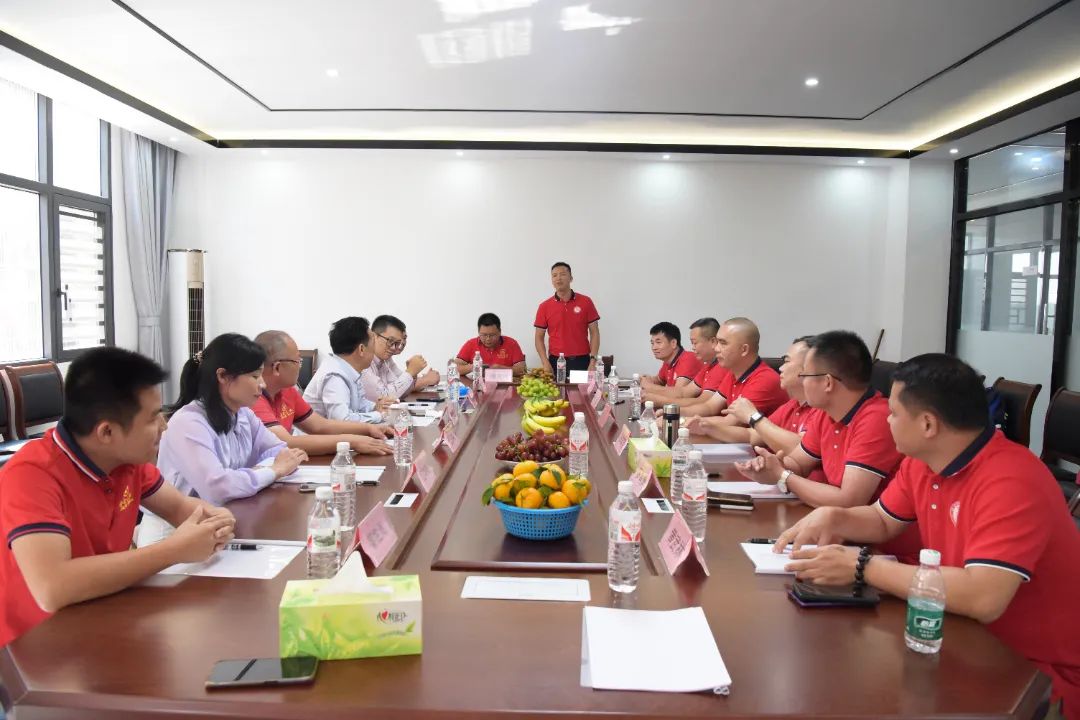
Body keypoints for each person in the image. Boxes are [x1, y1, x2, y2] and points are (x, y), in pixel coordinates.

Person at [774, 354, 1080, 718]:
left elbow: (984, 596)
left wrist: (863, 567)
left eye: (893, 413)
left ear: (928, 424)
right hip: (958, 639)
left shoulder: (1011, 479)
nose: (886, 420)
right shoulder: (923, 461)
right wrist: (834, 516)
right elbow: (883, 520)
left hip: (1031, 678)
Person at [0, 347, 236, 648]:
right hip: (35, 648)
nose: (164, 425)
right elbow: (53, 587)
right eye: (152, 418)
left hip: (103, 618)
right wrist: (174, 550)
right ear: (107, 432)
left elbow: (181, 508)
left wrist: (215, 520)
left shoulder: (127, 461)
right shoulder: (32, 475)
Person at [734, 330, 920, 560]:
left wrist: (783, 477)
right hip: (842, 537)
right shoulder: (826, 414)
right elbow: (798, 463)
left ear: (828, 382)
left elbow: (848, 501)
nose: (802, 381)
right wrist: (771, 466)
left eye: (805, 374)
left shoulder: (876, 418)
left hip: (884, 553)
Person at [137, 334, 308, 547]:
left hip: (223, 521)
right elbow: (217, 488)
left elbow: (280, 452)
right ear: (223, 376)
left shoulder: (243, 414)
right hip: (173, 532)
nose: (262, 384)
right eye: (254, 376)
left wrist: (253, 474)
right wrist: (272, 471)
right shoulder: (189, 422)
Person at [253, 331, 393, 457]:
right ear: (277, 367)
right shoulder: (253, 397)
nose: (300, 367)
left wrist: (368, 428)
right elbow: (286, 443)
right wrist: (353, 442)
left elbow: (319, 425)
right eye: (297, 361)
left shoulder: (287, 391)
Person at [687, 336, 820, 457]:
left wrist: (754, 417)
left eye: (787, 361)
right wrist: (709, 427)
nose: (781, 368)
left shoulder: (821, 410)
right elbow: (752, 435)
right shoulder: (792, 405)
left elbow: (802, 449)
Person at [304, 317, 394, 423]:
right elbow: (342, 420)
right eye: (373, 344)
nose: (374, 350)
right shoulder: (334, 376)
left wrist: (377, 406)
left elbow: (359, 404)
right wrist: (380, 415)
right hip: (315, 434)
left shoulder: (348, 369)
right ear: (361, 349)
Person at [642, 317, 729, 409]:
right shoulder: (708, 365)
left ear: (713, 341)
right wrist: (647, 383)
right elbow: (684, 392)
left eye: (695, 343)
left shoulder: (719, 366)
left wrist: (657, 397)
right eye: (652, 343)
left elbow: (704, 403)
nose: (693, 348)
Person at [534, 261, 600, 375]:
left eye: (563, 274)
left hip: (582, 361)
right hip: (555, 361)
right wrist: (545, 362)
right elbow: (538, 337)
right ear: (552, 280)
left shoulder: (586, 302)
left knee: (582, 387)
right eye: (554, 275)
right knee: (557, 387)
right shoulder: (544, 306)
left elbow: (594, 332)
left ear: (571, 278)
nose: (558, 278)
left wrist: (593, 361)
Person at [360, 315, 440, 400]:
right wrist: (410, 372)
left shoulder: (386, 359)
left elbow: (400, 392)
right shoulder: (363, 360)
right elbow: (383, 397)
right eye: (390, 341)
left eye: (397, 343)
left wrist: (412, 375)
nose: (394, 348)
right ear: (374, 336)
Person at [454, 313, 527, 378]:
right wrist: (474, 366)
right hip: (479, 386)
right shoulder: (471, 344)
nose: (488, 339)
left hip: (506, 386)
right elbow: (454, 368)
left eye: (492, 335)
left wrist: (501, 368)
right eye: (484, 335)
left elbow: (522, 369)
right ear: (478, 332)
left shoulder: (511, 344)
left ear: (500, 332)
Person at [640, 321, 703, 391]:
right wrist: (646, 379)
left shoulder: (689, 359)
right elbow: (659, 380)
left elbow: (678, 393)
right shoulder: (668, 361)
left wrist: (649, 386)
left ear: (673, 343)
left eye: (658, 342)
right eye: (652, 343)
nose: (654, 348)